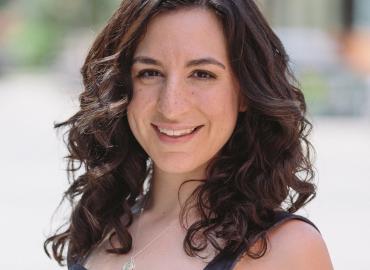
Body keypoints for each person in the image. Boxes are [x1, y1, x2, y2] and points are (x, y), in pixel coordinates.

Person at [44, 0, 334, 269]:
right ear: (122, 87)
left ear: (245, 91)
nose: (171, 107)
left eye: (202, 74)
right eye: (150, 72)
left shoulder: (287, 250)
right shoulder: (100, 224)